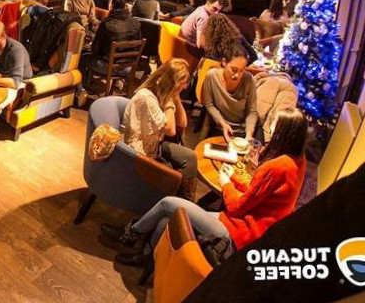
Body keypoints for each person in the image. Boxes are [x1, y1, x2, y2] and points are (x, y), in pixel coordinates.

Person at [103, 107, 308, 267]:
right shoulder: (298, 162)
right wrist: (234, 178)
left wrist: (226, 184)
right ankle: (146, 257)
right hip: (254, 233)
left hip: (239, 236)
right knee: (168, 218)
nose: (270, 127)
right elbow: (260, 193)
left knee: (168, 204)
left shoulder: (277, 166)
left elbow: (237, 207)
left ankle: (130, 234)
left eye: (275, 124)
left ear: (284, 133)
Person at [120, 58, 198, 199]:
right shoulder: (147, 97)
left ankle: (185, 203)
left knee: (190, 157)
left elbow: (182, 123)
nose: (185, 87)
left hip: (154, 144)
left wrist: (176, 98)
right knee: (173, 177)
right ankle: (177, 205)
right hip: (136, 154)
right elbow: (171, 130)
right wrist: (170, 100)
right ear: (174, 83)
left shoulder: (161, 93)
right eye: (183, 83)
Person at [203, 43, 258, 141]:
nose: (237, 75)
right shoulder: (212, 76)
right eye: (234, 69)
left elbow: (252, 111)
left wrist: (249, 134)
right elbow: (209, 105)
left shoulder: (249, 80)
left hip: (243, 130)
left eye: (242, 70)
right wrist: (222, 123)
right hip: (220, 126)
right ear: (224, 62)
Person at [84, 0, 141, 78]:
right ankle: (117, 81)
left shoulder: (106, 23)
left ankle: (88, 84)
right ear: (125, 6)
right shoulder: (136, 22)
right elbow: (138, 45)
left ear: (111, 6)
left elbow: (95, 49)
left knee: (82, 58)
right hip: (128, 67)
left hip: (109, 67)